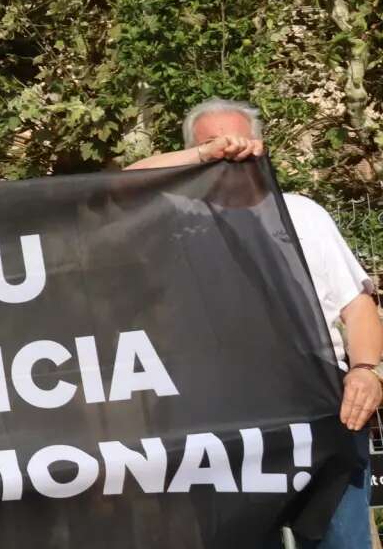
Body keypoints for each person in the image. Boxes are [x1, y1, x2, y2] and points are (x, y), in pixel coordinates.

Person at [128, 99, 381, 549]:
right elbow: (119, 185)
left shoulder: (303, 213)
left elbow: (356, 306)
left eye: (241, 140)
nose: (232, 150)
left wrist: (367, 371)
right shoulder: (173, 217)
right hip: (222, 425)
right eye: (213, 143)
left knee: (343, 542)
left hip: (322, 412)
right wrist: (204, 157)